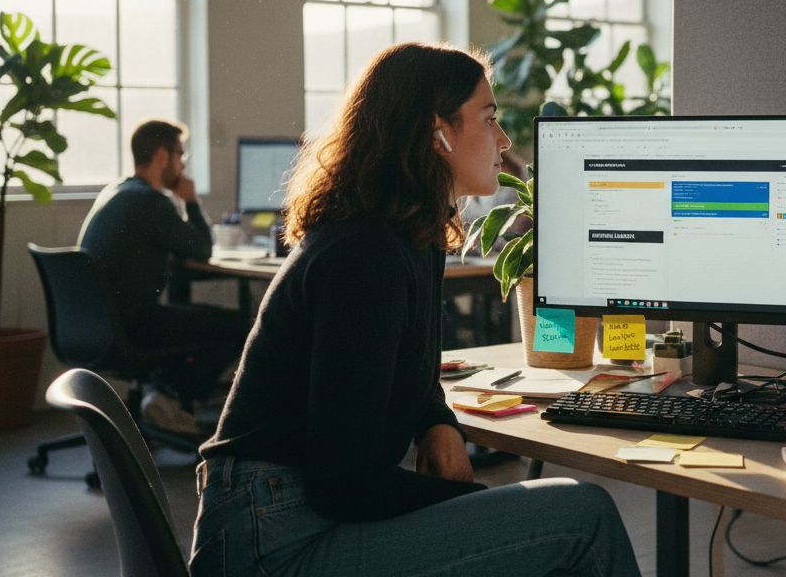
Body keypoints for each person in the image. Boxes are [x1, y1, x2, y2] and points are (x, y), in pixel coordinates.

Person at [190, 43, 641, 576]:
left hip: (288, 513)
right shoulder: (365, 253)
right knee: (579, 515)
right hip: (272, 537)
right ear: (437, 131)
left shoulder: (407, 235)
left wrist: (435, 422)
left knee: (549, 516)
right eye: (490, 118)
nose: (504, 140)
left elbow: (408, 364)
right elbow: (345, 483)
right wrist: (471, 506)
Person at [79, 120, 249, 433]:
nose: (183, 164)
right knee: (240, 327)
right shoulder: (149, 201)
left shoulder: (118, 191)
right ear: (162, 157)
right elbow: (201, 249)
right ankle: (167, 397)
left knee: (202, 323)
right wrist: (192, 202)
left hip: (97, 325)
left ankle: (163, 395)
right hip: (132, 326)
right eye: (180, 155)